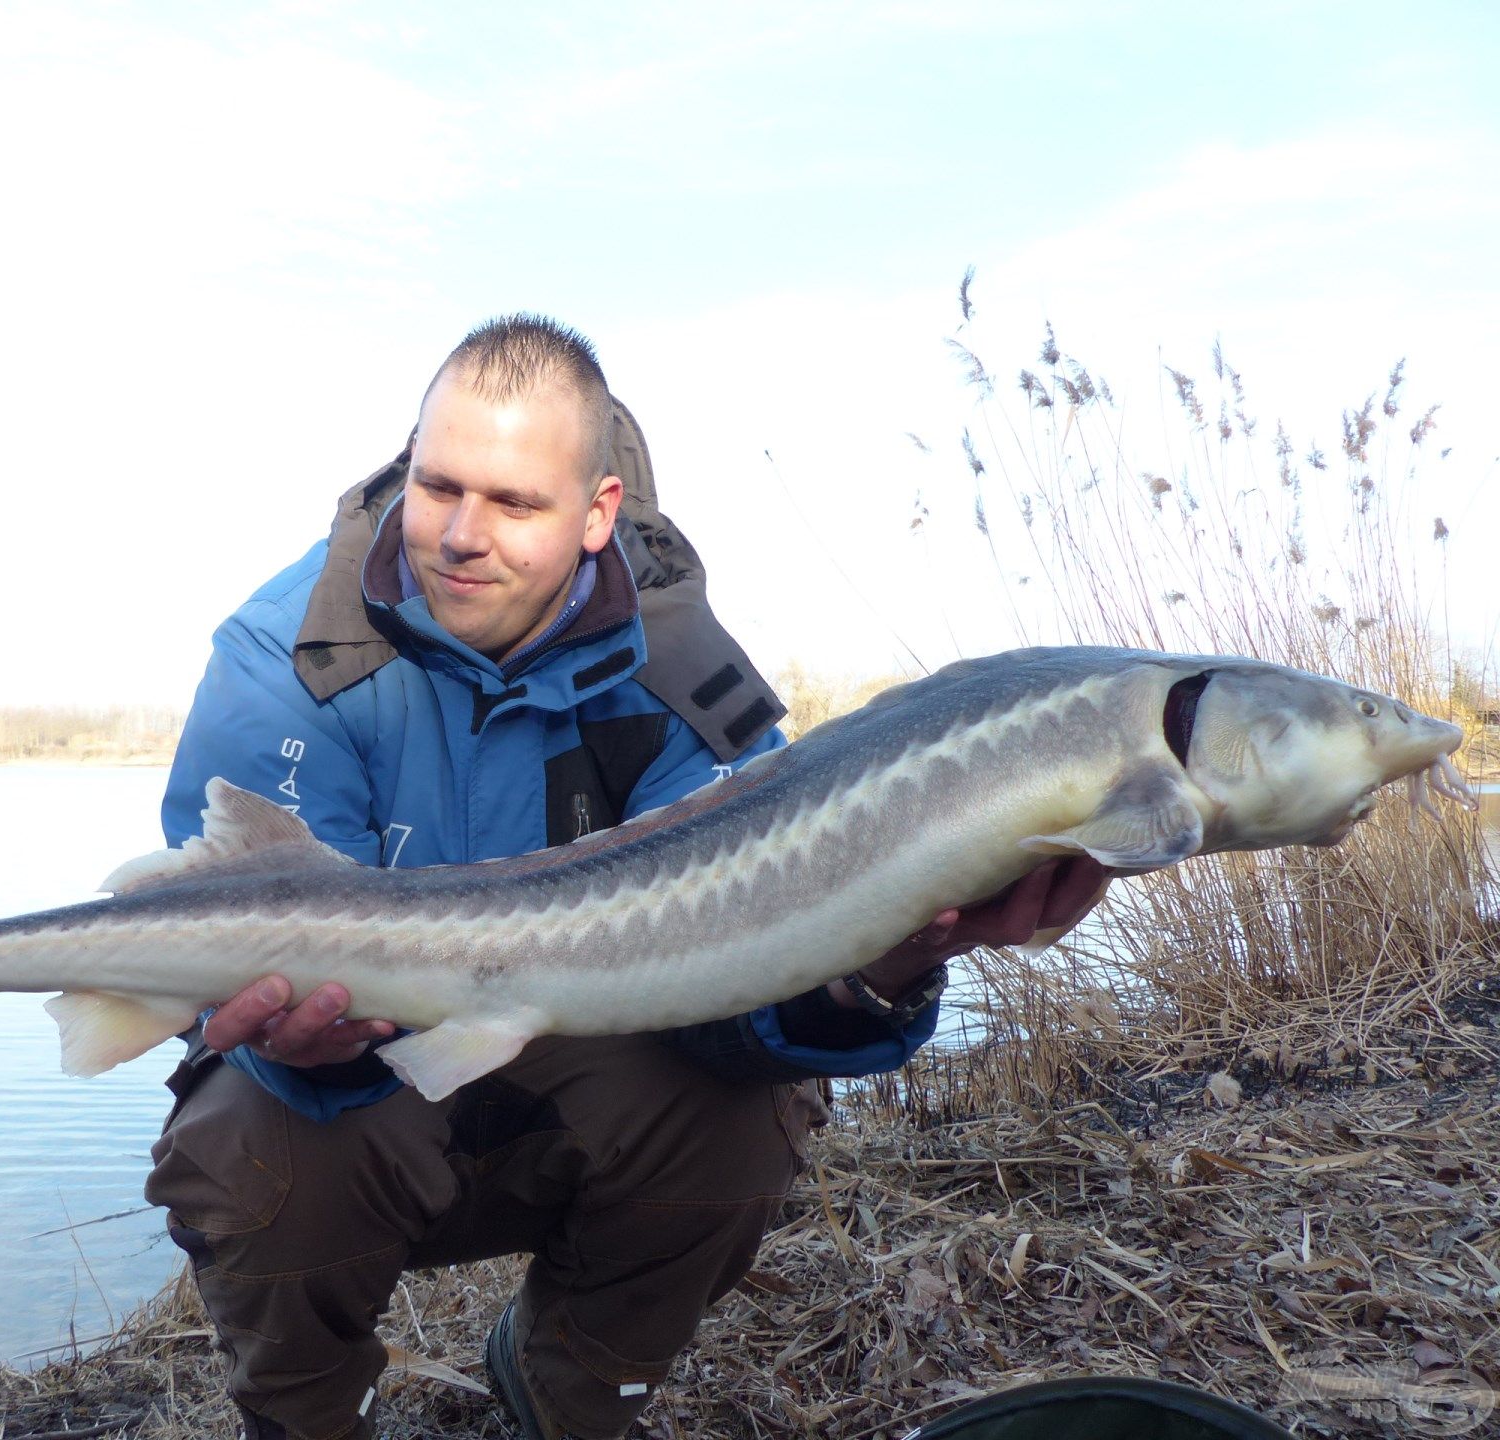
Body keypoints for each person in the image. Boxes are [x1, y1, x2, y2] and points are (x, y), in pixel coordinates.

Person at [145, 314, 1106, 1440]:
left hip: (567, 1056)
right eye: (438, 485)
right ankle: (307, 1419)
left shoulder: (686, 678)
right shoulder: (287, 649)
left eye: (513, 503)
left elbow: (738, 996)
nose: (459, 534)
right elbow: (224, 934)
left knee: (749, 1114)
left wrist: (883, 962)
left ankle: (574, 1391)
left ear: (597, 513)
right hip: (367, 1083)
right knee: (253, 1128)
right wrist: (277, 1031)